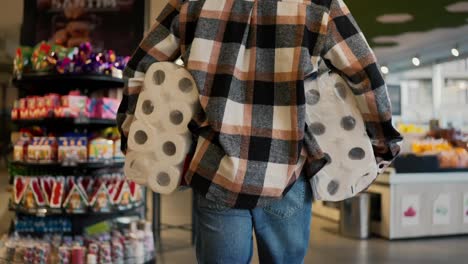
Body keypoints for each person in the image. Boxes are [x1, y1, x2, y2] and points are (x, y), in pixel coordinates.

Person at [117, 0, 402, 263]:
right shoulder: (319, 4)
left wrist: (133, 135)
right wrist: (382, 144)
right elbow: (366, 76)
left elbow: (141, 67)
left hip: (216, 174)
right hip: (287, 174)